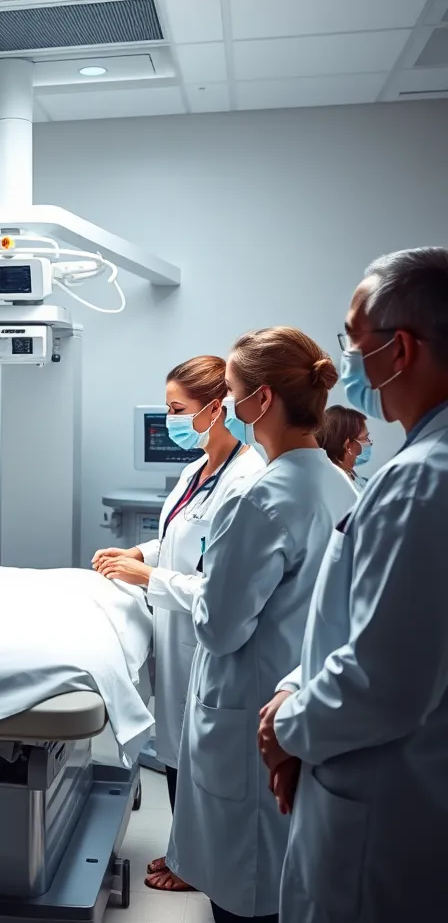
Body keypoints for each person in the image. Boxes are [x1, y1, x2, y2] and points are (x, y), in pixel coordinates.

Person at [258, 248, 448, 923]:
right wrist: (296, 687)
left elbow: (384, 682)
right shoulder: (417, 468)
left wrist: (286, 725)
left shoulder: (423, 479)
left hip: (381, 809)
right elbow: (383, 629)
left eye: (353, 339)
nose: (349, 361)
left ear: (398, 351)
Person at [165, 327, 356, 923]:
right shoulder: (337, 482)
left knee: (247, 890)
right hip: (302, 703)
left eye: (234, 391)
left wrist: (177, 589)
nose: (231, 404)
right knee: (288, 880)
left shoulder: (261, 500)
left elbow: (220, 629)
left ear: (262, 401)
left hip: (250, 715)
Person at [92, 355, 265, 894]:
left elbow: (222, 586)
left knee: (201, 764)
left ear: (216, 409)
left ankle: (199, 863)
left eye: (176, 409)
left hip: (207, 642)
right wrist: (138, 552)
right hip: (177, 634)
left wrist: (147, 577)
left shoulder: (245, 480)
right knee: (176, 755)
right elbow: (178, 541)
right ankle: (184, 852)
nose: (169, 419)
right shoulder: (198, 469)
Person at [316, 404, 371, 489]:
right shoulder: (339, 485)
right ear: (348, 445)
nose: (370, 443)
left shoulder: (351, 476)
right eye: (365, 438)